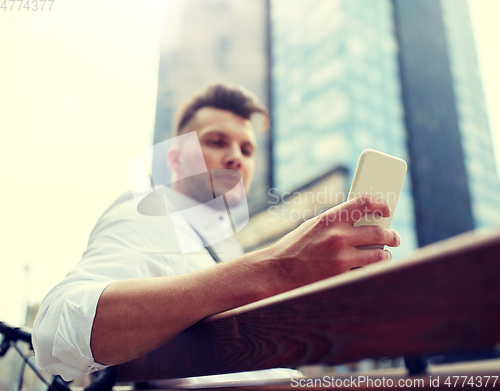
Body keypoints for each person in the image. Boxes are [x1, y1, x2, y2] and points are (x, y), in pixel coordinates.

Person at [32, 82, 401, 381]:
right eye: (215, 141)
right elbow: (54, 333)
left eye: (246, 148)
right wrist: (278, 267)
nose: (236, 157)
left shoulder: (227, 248)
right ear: (175, 158)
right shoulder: (148, 212)